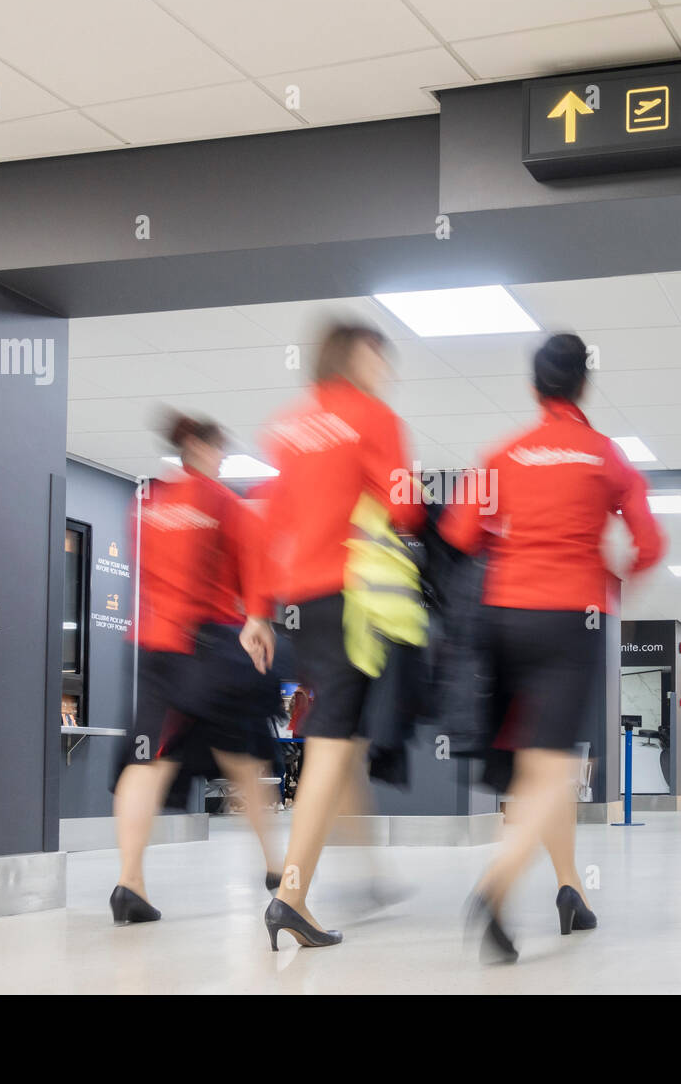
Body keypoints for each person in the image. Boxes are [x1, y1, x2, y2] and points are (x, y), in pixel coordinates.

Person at [440, 332, 666, 962]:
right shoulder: (603, 455)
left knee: (539, 767)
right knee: (558, 766)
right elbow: (649, 542)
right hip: (571, 621)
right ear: (582, 386)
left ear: (535, 387)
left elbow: (460, 531)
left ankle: (570, 890)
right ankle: (495, 889)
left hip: (505, 620)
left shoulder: (503, 453)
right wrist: (616, 578)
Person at [245, 323, 424, 951]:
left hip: (302, 601)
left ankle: (323, 882)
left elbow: (271, 520)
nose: (387, 369)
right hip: (353, 600)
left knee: (337, 739)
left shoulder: (289, 426)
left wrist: (257, 612)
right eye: (381, 356)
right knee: (329, 742)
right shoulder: (373, 416)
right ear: (358, 355)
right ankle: (291, 896)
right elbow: (405, 507)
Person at [110, 412, 281, 924]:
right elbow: (254, 567)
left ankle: (129, 882)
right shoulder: (221, 501)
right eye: (220, 451)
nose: (223, 460)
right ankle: (277, 867)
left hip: (152, 648)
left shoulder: (146, 506)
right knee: (244, 757)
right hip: (208, 649)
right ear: (203, 450)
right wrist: (258, 621)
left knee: (149, 761)